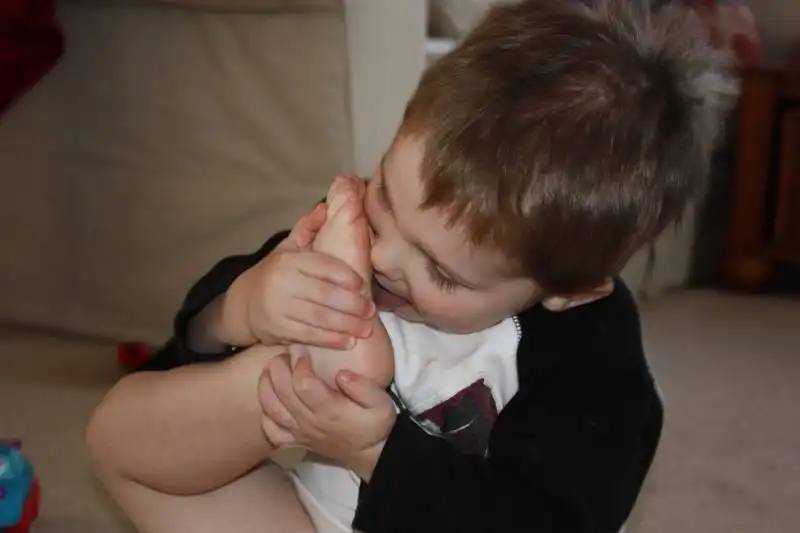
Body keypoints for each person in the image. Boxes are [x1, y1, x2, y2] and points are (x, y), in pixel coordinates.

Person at [85, 1, 739, 532]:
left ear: (567, 290)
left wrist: (378, 451)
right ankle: (311, 360)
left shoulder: (597, 371)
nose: (384, 258)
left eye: (443, 272)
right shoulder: (356, 236)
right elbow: (175, 364)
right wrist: (242, 307)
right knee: (121, 430)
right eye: (384, 198)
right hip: (310, 520)